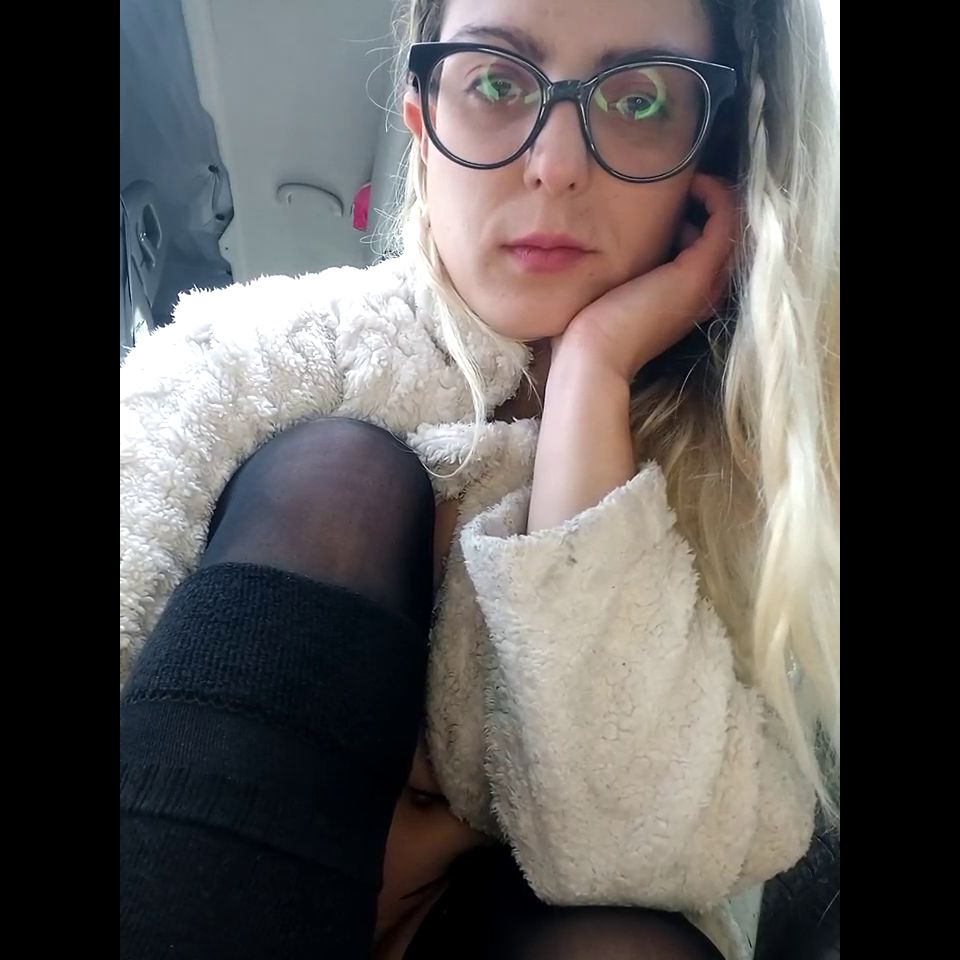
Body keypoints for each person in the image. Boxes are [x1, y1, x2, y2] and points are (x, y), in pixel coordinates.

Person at [119, 0, 840, 957]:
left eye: (638, 101)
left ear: (709, 158)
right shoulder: (251, 355)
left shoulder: (755, 485)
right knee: (338, 474)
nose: (557, 164)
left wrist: (592, 378)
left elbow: (646, 853)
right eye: (497, 82)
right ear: (422, 121)